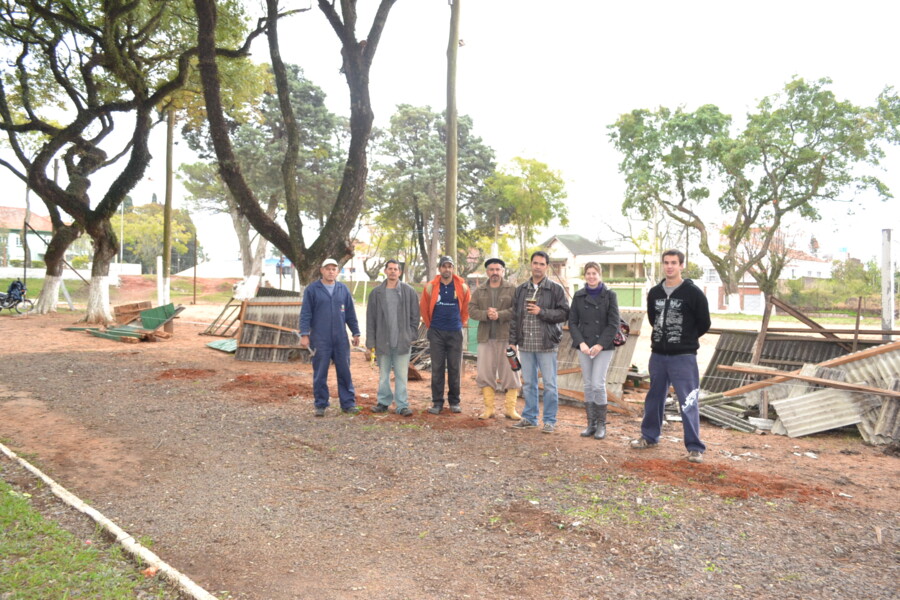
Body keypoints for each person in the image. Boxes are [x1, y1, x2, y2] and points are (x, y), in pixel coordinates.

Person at [630, 249, 711, 463]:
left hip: (683, 357)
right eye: (666, 262)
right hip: (658, 355)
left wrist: (684, 339)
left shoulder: (693, 293)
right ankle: (649, 437)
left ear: (681, 266)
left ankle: (694, 447)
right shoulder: (655, 292)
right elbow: (652, 319)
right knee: (654, 398)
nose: (669, 266)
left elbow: (704, 323)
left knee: (688, 400)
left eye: (674, 262)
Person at [508, 250, 569, 433]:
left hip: (546, 344)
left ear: (547, 267)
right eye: (535, 263)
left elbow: (565, 313)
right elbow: (514, 317)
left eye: (542, 264)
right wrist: (513, 341)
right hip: (526, 343)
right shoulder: (520, 290)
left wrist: (541, 312)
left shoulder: (555, 289)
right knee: (529, 383)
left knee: (550, 384)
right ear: (531, 265)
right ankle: (529, 417)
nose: (538, 267)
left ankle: (549, 420)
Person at [299, 258, 361, 417]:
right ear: (322, 270)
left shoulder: (343, 290)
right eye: (328, 268)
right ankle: (320, 404)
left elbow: (350, 314)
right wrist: (304, 334)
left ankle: (348, 403)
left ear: (337, 271)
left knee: (344, 371)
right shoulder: (312, 290)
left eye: (334, 269)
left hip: (340, 338)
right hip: (320, 338)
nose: (331, 271)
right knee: (320, 372)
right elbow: (305, 313)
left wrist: (355, 332)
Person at [568, 262, 620, 440]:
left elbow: (614, 323)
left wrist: (599, 345)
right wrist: (581, 342)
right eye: (588, 273)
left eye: (594, 273)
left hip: (603, 346)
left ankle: (601, 425)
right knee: (588, 384)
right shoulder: (579, 295)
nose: (591, 276)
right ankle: (590, 424)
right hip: (584, 346)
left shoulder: (610, 295)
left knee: (598, 384)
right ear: (585, 276)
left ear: (600, 275)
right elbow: (572, 322)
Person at [468, 257, 522, 420]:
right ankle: (489, 408)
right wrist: (486, 314)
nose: (495, 272)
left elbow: (517, 310)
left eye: (498, 269)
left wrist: (499, 314)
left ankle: (510, 409)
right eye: (491, 270)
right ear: (487, 272)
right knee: (485, 373)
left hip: (506, 338)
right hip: (486, 338)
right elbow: (471, 310)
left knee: (511, 372)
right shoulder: (479, 291)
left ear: (503, 271)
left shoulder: (512, 289)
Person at [366, 259, 420, 416]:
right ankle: (383, 402)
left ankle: (402, 405)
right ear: (385, 271)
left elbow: (415, 317)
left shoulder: (408, 291)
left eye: (396, 269)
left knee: (401, 376)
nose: (393, 271)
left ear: (400, 272)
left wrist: (410, 335)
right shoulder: (376, 293)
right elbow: (371, 319)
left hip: (402, 341)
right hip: (383, 341)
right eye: (390, 269)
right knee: (383, 376)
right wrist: (370, 342)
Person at [420, 255, 471, 414]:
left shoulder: (462, 286)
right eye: (444, 266)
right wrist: (431, 326)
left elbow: (466, 309)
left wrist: (459, 323)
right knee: (437, 368)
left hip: (455, 332)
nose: (447, 269)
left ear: (453, 269)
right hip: (436, 332)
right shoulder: (431, 286)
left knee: (455, 369)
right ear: (439, 268)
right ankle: (437, 402)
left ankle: (454, 402)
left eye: (450, 266)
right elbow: (424, 308)